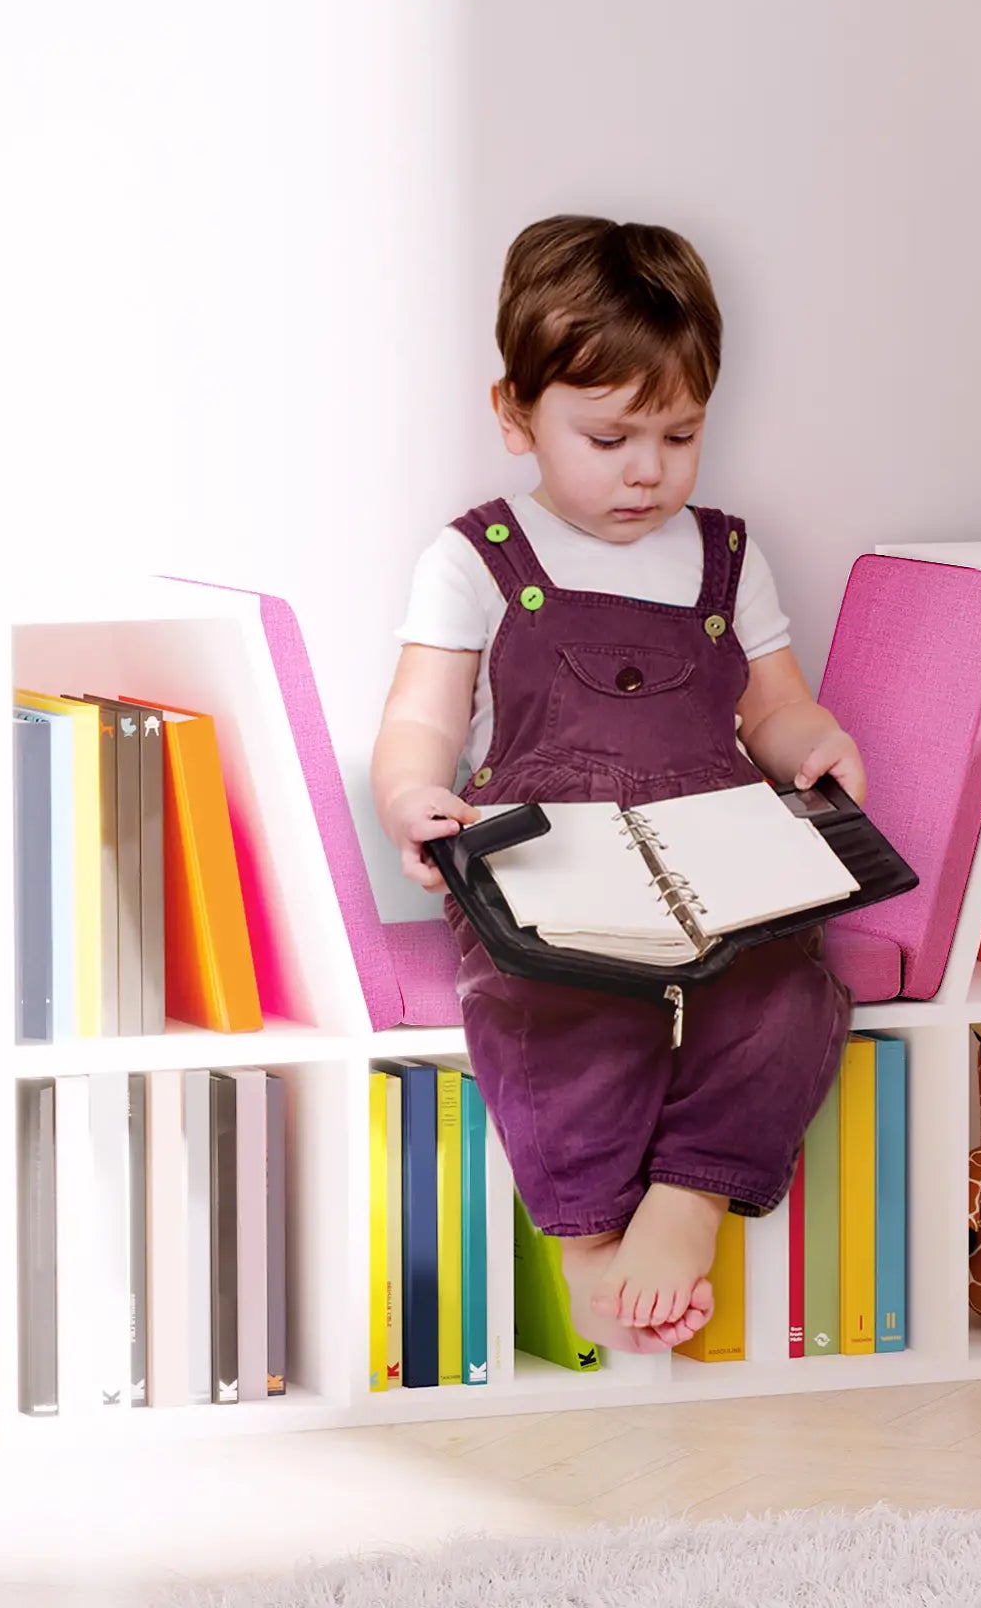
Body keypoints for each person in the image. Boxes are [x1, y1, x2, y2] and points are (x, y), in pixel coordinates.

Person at [371, 215, 863, 1349]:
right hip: (551, 873)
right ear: (514, 414)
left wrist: (812, 744)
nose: (646, 468)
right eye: (608, 436)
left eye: (679, 433)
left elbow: (773, 705)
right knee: (550, 1011)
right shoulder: (474, 556)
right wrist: (412, 795)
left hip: (713, 870)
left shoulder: (726, 556)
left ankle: (689, 1195)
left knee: (790, 992)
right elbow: (418, 715)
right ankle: (589, 1232)